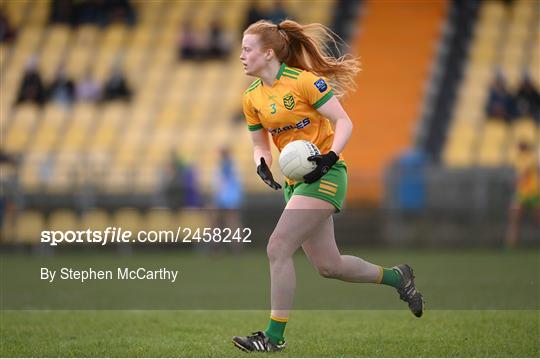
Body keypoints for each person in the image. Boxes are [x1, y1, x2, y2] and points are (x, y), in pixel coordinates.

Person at [232, 19, 425, 353]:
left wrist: (330, 157)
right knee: (329, 266)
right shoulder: (251, 98)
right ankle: (398, 277)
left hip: (326, 175)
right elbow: (259, 144)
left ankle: (273, 337)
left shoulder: (304, 82)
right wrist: (261, 163)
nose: (241, 56)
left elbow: (344, 121)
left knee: (277, 247)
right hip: (295, 184)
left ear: (267, 53)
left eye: (247, 49)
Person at [505, 141, 540, 248]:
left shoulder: (530, 158)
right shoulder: (519, 159)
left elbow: (525, 173)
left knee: (537, 218)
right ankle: (510, 244)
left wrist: (517, 179)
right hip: (522, 193)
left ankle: (511, 243)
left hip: (533, 192)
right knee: (514, 217)